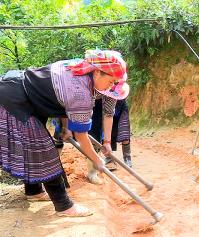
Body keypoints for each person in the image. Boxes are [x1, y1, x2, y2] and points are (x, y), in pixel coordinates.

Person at [0, 49, 129, 216]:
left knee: (32, 148)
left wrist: (66, 128)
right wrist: (96, 159)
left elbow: (62, 100)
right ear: (97, 72)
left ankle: (34, 192)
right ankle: (64, 206)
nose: (111, 87)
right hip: (14, 99)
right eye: (111, 82)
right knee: (44, 152)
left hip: (19, 92)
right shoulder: (81, 92)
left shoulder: (79, 67)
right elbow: (80, 135)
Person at [89, 97, 132, 171]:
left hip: (120, 105)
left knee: (124, 133)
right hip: (106, 106)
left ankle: (127, 158)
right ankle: (110, 159)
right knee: (109, 133)